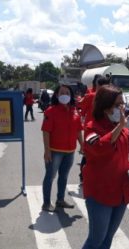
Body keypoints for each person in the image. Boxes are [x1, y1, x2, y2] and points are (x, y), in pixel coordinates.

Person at [81, 85, 129, 249]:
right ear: (105, 106)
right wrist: (119, 127)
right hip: (100, 193)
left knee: (107, 239)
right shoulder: (91, 127)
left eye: (122, 103)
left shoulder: (123, 131)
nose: (122, 108)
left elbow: (123, 156)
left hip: (121, 192)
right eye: (117, 104)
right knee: (96, 240)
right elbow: (98, 148)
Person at [41, 84, 84, 212]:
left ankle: (60, 200)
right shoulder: (51, 111)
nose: (65, 95)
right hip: (55, 151)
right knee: (50, 176)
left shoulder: (74, 111)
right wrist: (47, 150)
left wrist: (82, 145)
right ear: (56, 95)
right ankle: (46, 203)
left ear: (71, 96)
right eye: (62, 93)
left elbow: (78, 131)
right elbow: (46, 131)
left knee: (64, 177)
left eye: (67, 93)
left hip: (70, 152)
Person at [77, 75, 110, 184]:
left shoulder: (91, 96)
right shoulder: (110, 97)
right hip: (105, 129)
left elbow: (81, 107)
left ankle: (83, 177)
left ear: (97, 85)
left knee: (88, 153)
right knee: (103, 152)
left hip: (91, 129)